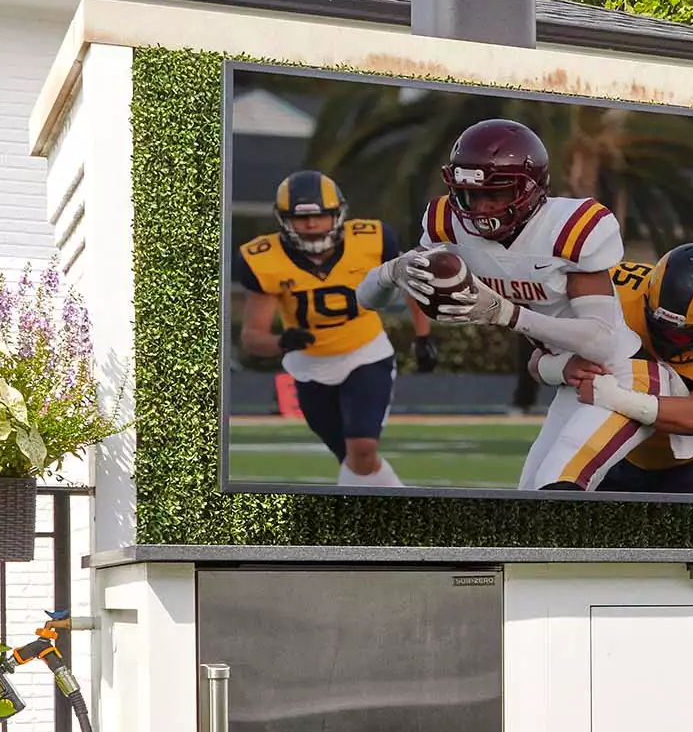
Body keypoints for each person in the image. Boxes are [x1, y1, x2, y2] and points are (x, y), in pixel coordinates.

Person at [359, 118, 639, 490]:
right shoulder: (449, 224)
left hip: (623, 375)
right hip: (574, 376)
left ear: (531, 189)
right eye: (470, 194)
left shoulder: (569, 228)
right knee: (529, 494)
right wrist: (392, 271)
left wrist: (505, 313)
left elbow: (602, 342)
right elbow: (365, 300)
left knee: (555, 484)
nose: (481, 206)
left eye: (497, 193)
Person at [233, 169, 431, 487]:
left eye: (321, 216)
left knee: (362, 448)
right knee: (355, 460)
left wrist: (423, 337)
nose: (312, 225)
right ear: (284, 220)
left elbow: (408, 284)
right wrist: (283, 342)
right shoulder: (264, 259)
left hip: (366, 354)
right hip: (309, 368)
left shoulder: (371, 239)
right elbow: (252, 338)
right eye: (301, 219)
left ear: (337, 215)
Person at [539, 243, 693, 494]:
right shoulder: (615, 289)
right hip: (623, 450)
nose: (666, 339)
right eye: (658, 326)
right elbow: (537, 359)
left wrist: (612, 396)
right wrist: (559, 367)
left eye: (681, 336)